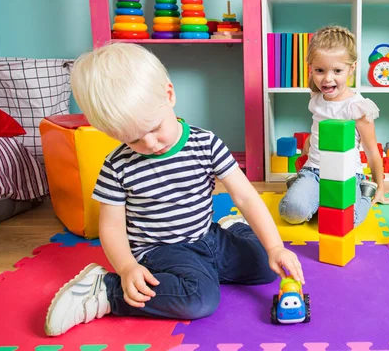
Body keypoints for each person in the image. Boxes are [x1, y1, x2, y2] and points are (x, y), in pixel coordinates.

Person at [44, 43, 304, 336]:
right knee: (199, 300)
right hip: (161, 251)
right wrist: (127, 267)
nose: (150, 145)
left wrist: (275, 247)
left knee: (267, 267)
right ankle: (105, 291)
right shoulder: (117, 166)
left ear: (168, 95)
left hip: (207, 235)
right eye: (134, 140)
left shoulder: (206, 144)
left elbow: (245, 196)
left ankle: (235, 230)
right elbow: (111, 227)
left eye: (154, 128)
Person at [279, 26, 389, 227]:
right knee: (291, 212)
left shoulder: (358, 107)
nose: (327, 78)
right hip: (314, 172)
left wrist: (380, 188)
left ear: (351, 69)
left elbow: (372, 151)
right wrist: (306, 151)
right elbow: (316, 130)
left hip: (347, 176)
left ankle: (365, 192)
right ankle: (305, 191)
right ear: (311, 69)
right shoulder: (316, 98)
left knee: (343, 222)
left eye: (337, 71)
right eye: (319, 70)